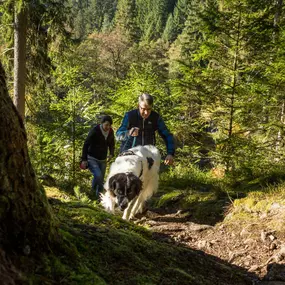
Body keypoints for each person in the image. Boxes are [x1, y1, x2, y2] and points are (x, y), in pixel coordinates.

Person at [116, 93, 175, 165]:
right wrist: (128, 132)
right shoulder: (130, 116)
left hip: (147, 156)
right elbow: (118, 135)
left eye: (149, 109)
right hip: (129, 155)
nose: (146, 112)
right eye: (143, 109)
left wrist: (170, 153)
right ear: (138, 106)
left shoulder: (155, 117)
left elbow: (167, 135)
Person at [81, 115, 115, 200]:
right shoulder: (95, 130)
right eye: (106, 125)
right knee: (98, 175)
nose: (107, 127)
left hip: (103, 159)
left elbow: (112, 144)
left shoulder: (110, 132)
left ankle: (96, 197)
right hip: (92, 157)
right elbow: (86, 144)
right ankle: (99, 194)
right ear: (102, 123)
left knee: (99, 178)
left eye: (109, 125)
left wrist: (111, 153)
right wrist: (84, 159)